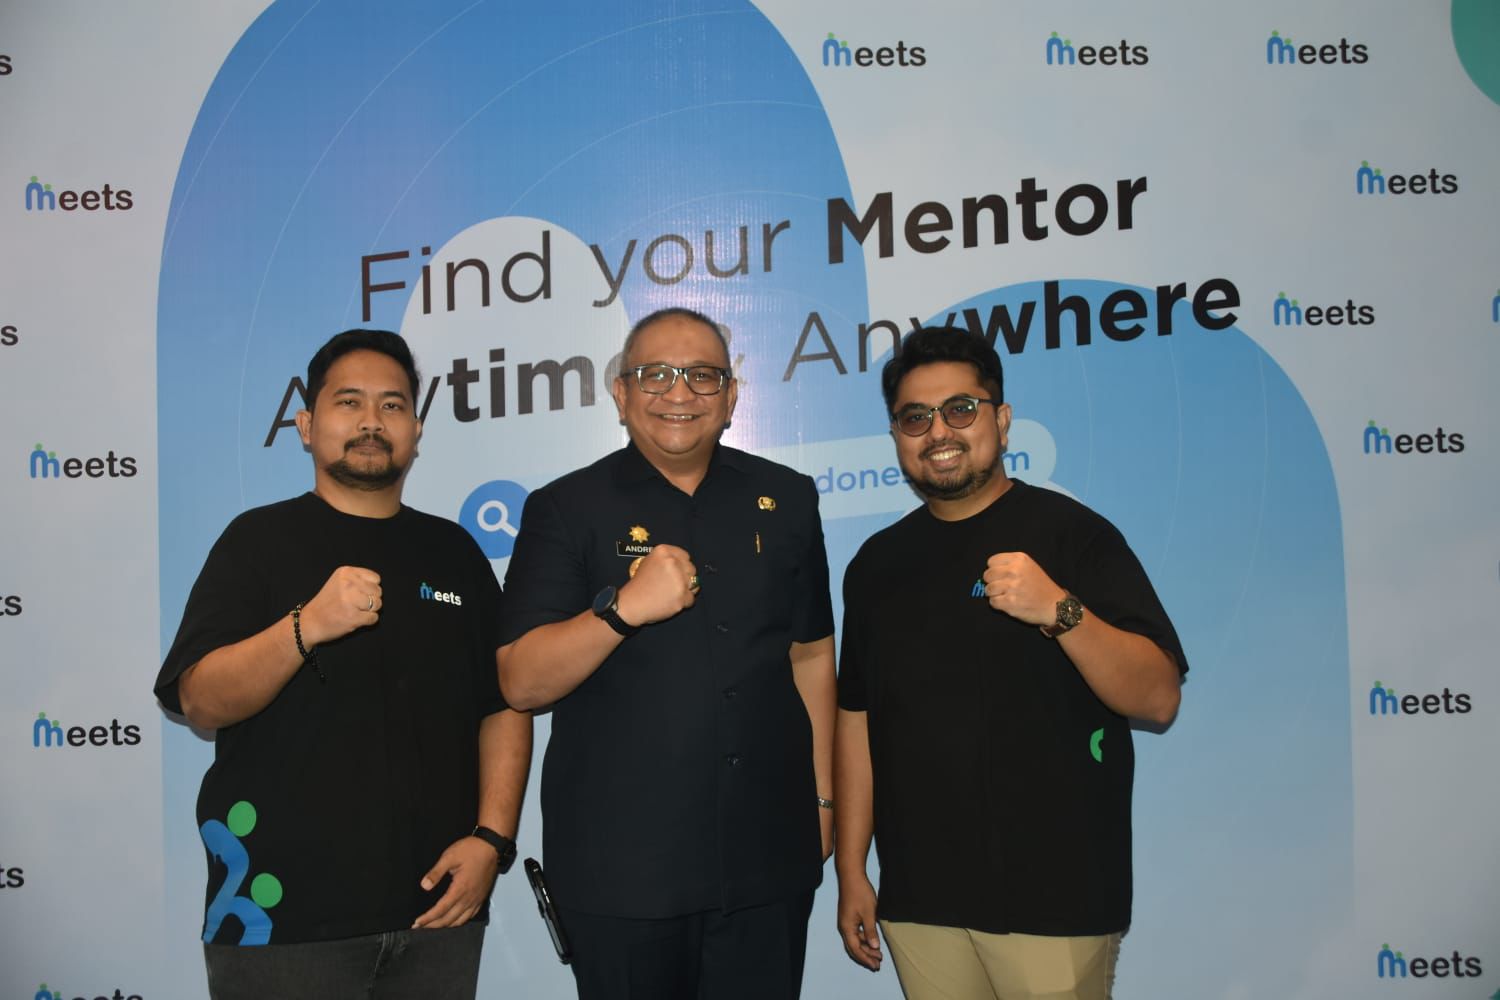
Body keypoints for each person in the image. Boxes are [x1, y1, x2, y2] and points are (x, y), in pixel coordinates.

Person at [154, 329, 532, 1000]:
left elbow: (504, 703)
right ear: (306, 425)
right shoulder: (255, 542)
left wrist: (491, 840)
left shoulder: (454, 553)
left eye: (392, 405)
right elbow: (200, 702)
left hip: (437, 916)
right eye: (349, 402)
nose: (371, 421)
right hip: (279, 919)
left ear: (416, 431)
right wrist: (305, 627)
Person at [834, 327, 1186, 1000]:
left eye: (961, 409)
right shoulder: (876, 565)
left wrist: (1060, 609)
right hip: (921, 898)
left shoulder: (1075, 536)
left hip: (1057, 897)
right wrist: (852, 869)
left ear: (1001, 420)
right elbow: (857, 721)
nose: (939, 431)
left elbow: (1158, 697)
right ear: (898, 436)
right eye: (915, 417)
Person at [497, 307, 836, 1000]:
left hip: (767, 859)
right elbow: (521, 682)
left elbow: (809, 654)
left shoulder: (789, 498)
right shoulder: (564, 508)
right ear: (620, 393)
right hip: (622, 874)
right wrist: (621, 610)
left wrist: (823, 800)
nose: (679, 393)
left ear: (732, 396)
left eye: (703, 376)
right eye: (654, 374)